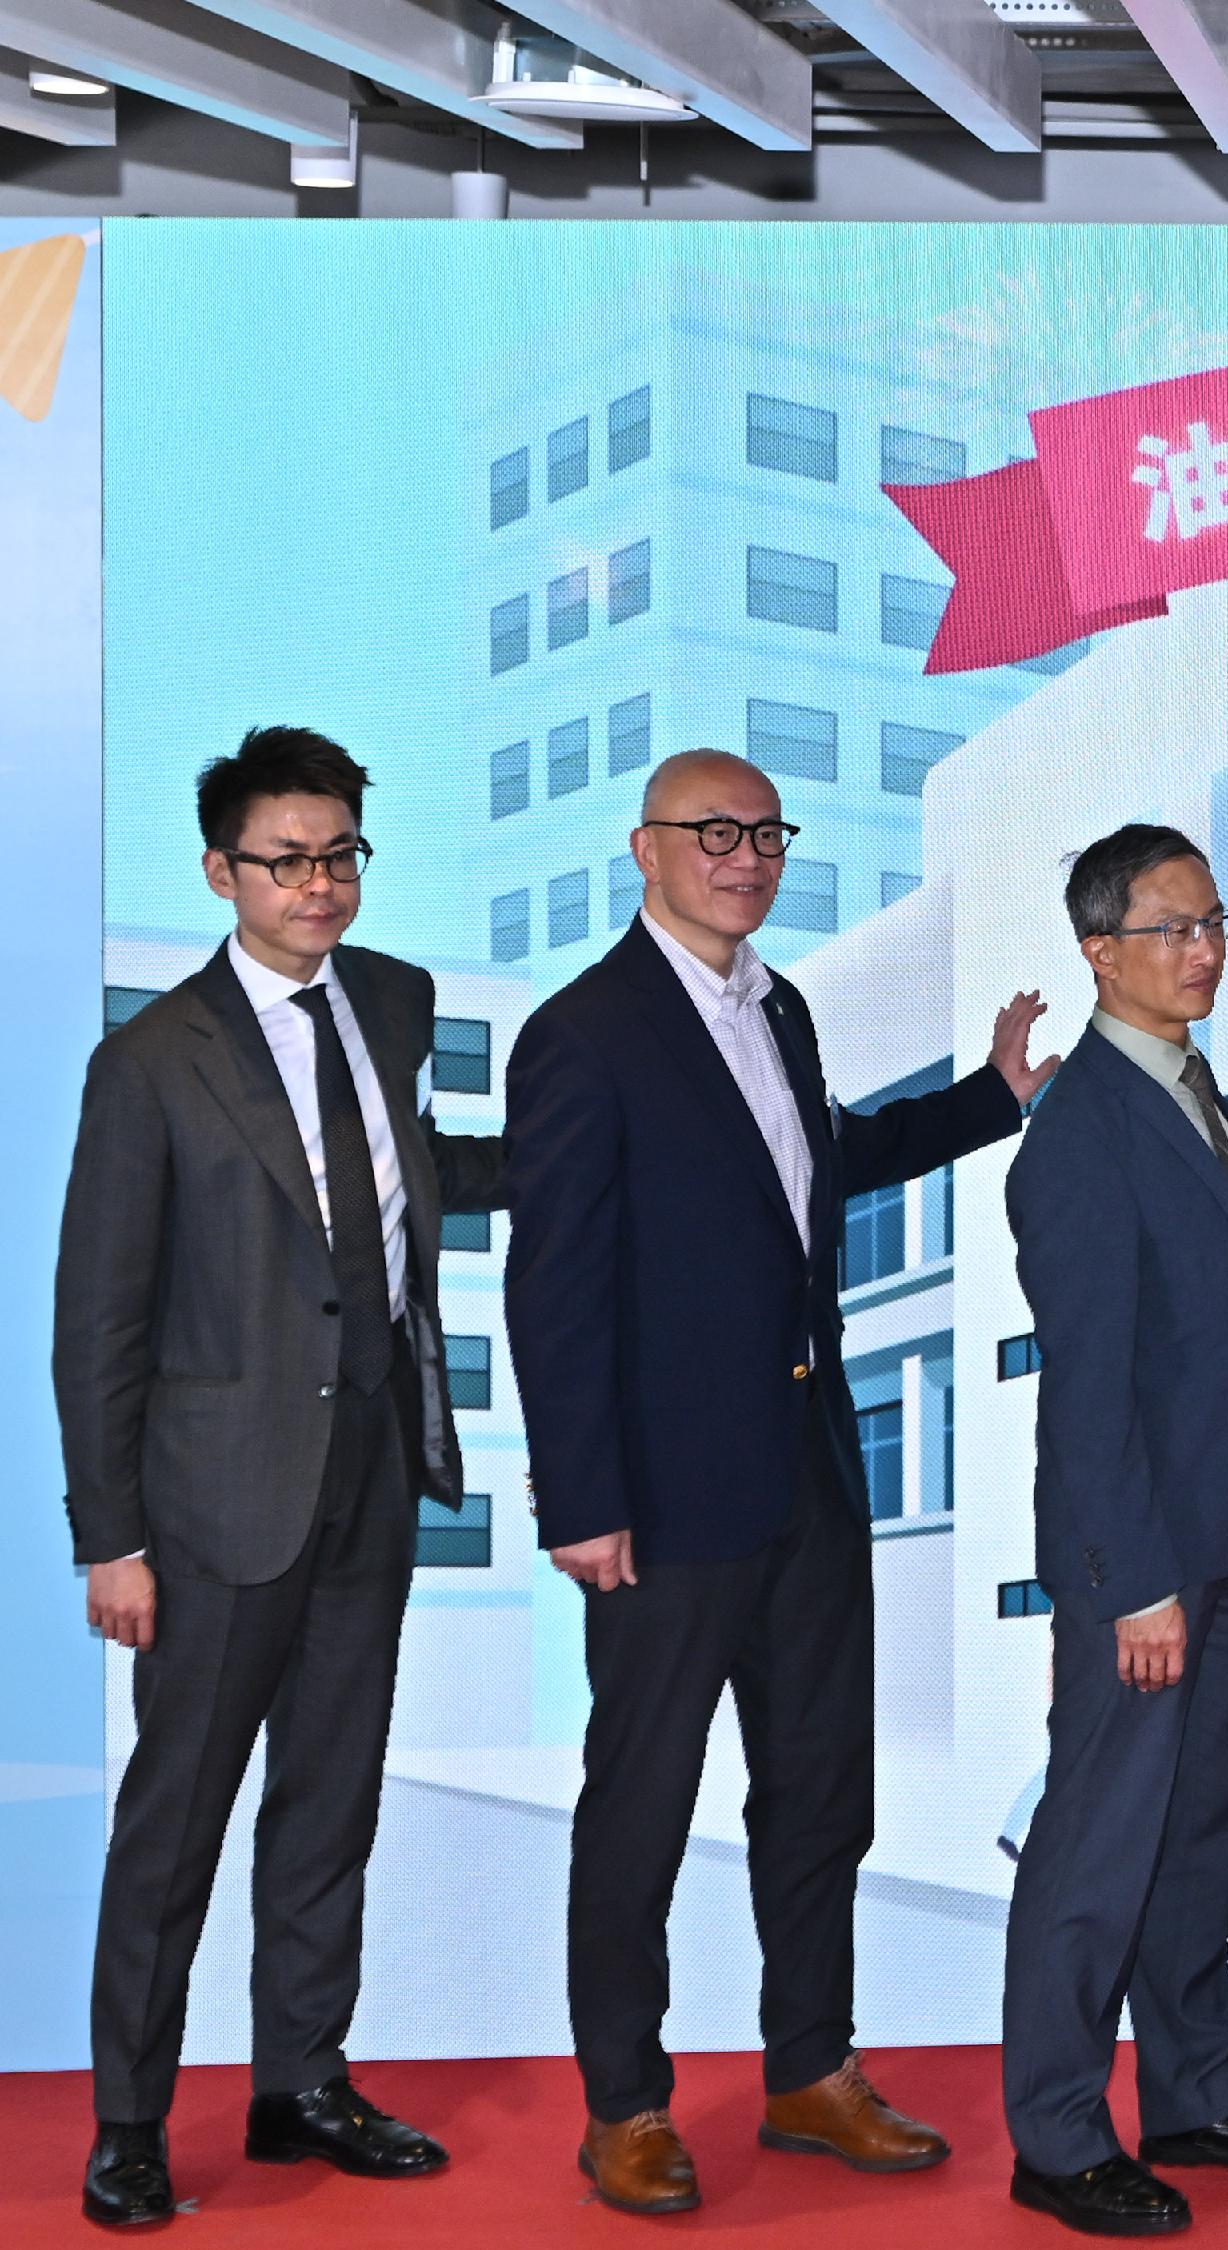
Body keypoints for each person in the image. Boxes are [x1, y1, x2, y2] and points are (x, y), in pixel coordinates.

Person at [508, 749, 1052, 2217]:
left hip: (809, 1481)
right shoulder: (585, 1032)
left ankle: (813, 2067)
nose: (745, 856)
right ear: (647, 848)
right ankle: (623, 2101)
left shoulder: (781, 1005)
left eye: (764, 833)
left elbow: (823, 1160)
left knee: (818, 1797)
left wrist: (988, 1099)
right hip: (661, 1506)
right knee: (640, 1805)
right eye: (713, 833)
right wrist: (579, 1499)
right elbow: (552, 1288)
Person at [57, 728, 508, 2230]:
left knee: (330, 1800)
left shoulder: (394, 1002)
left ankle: (301, 2079)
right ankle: (130, 2119)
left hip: (370, 1475)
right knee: (174, 1823)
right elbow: (99, 1318)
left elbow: (400, 1196)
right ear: (220, 872)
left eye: (339, 856)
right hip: (208, 1508)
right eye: (285, 859)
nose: (318, 885)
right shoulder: (149, 1062)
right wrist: (108, 1537)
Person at [998, 824, 1228, 2235]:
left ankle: (1202, 2090)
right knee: (1099, 1844)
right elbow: (1089, 1384)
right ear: (1099, 951)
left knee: (1206, 1829)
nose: (1205, 947)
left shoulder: (1189, 1089)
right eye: (1174, 927)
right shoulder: (1080, 1127)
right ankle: (1058, 2131)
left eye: (1214, 921)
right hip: (1143, 1562)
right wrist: (1131, 1580)